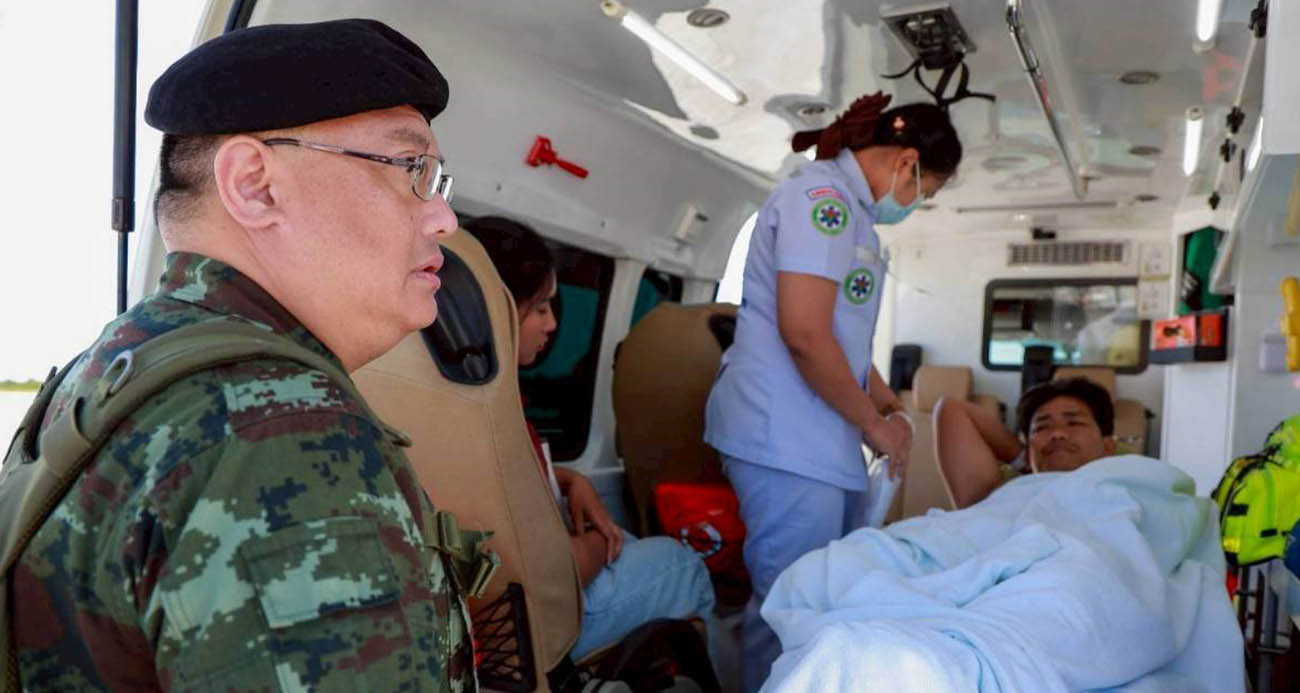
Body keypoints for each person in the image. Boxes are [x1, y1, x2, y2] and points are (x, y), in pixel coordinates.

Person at [7, 20, 484, 690]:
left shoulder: (115, 365)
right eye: (411, 169)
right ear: (255, 185)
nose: (444, 218)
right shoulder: (281, 432)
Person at [703, 92, 962, 690]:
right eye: (925, 190)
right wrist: (873, 425)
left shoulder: (855, 215)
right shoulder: (821, 200)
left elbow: (842, 339)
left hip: (816, 437)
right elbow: (804, 333)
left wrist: (887, 404)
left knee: (822, 597)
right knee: (790, 604)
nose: (916, 203)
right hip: (784, 436)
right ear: (907, 162)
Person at [465, 215, 717, 661]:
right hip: (534, 629)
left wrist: (570, 480)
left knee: (637, 546)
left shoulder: (463, 399)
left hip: (499, 621)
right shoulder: (485, 417)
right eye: (540, 308)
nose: (551, 325)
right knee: (685, 564)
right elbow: (553, 574)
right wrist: (602, 542)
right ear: (498, 309)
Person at [935, 376, 1118, 508]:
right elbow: (951, 409)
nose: (1057, 434)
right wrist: (1026, 459)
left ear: (1108, 447)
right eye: (1042, 427)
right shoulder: (1001, 498)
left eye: (1074, 423)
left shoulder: (1127, 484)